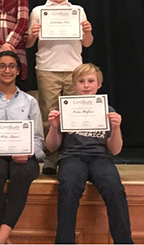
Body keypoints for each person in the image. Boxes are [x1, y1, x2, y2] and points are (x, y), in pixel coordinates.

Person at [46, 63, 133, 244]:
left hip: (100, 157)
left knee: (115, 189)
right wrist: (54, 128)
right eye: (81, 81)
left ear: (99, 84)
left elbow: (115, 150)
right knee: (69, 187)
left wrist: (116, 128)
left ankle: (124, 242)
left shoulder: (108, 111)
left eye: (91, 81)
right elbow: (52, 147)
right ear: (74, 84)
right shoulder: (66, 109)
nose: (86, 85)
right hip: (72, 156)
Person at [0, 51, 45, 244]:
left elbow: (38, 138)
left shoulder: (30, 102)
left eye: (12, 66)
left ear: (18, 70)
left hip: (24, 158)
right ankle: (3, 238)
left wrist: (29, 153)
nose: (7, 70)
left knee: (22, 174)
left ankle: (0, 238)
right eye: (2, 66)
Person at [26, 0, 94, 175]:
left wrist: (87, 31)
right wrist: (33, 34)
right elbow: (28, 44)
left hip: (74, 69)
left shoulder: (77, 11)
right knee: (50, 116)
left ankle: (73, 155)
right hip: (48, 68)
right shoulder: (38, 11)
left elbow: (87, 43)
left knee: (74, 115)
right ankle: (51, 158)